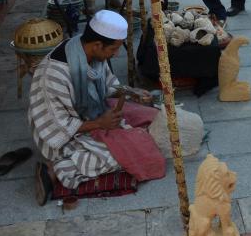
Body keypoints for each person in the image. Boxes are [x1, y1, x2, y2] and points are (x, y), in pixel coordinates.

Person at [29, 10, 164, 205]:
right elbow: (57, 126)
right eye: (114, 49)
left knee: (152, 116)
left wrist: (131, 92)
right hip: (61, 134)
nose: (116, 54)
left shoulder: (88, 50)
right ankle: (54, 170)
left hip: (94, 112)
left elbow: (108, 86)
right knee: (123, 155)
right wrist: (99, 123)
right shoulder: (54, 74)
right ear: (97, 45)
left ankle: (127, 136)